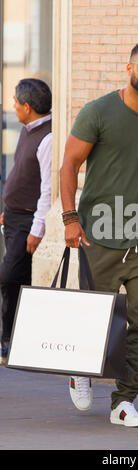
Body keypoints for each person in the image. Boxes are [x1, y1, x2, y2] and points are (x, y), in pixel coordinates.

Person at [60, 38, 138, 427]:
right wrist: (69, 218)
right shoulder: (98, 112)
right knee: (97, 316)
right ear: (129, 68)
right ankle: (81, 371)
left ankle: (124, 401)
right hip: (100, 233)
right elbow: (69, 164)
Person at [0, 78, 52, 360]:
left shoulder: (47, 137)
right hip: (13, 217)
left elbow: (47, 189)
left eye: (16, 103)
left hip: (27, 222)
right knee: (15, 281)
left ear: (28, 107)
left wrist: (37, 229)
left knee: (8, 277)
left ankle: (11, 338)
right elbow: (22, 172)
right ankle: (10, 341)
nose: (13, 107)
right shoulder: (28, 129)